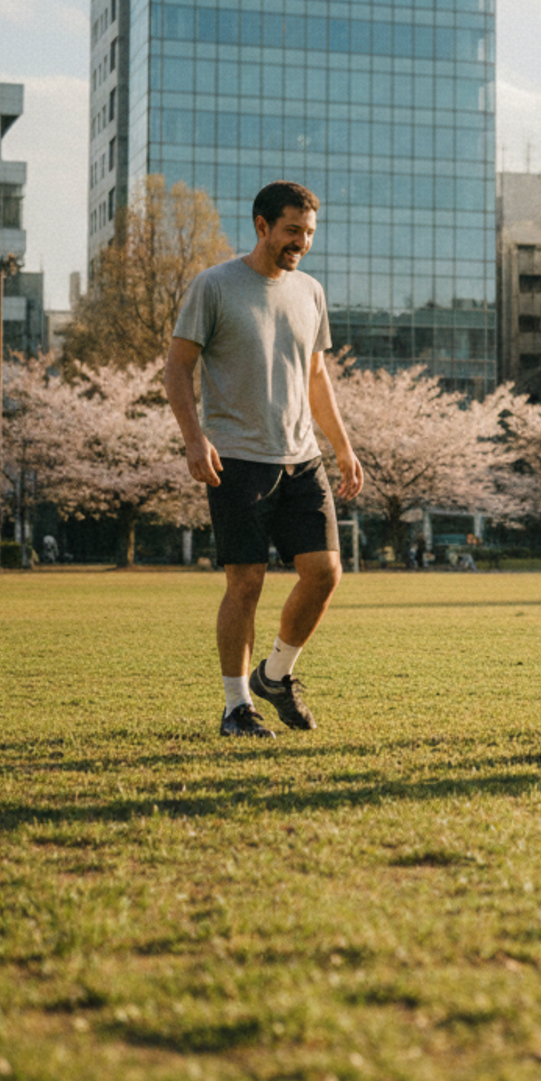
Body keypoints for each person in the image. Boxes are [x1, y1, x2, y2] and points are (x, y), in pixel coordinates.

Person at [163, 181, 364, 740]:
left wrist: (343, 447)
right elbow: (177, 368)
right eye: (292, 230)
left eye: (309, 233)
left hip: (302, 457)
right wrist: (194, 438)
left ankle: (276, 676)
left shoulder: (311, 292)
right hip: (237, 457)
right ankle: (236, 707)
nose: (302, 242)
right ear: (262, 226)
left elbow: (316, 376)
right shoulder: (214, 286)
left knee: (325, 573)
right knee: (246, 581)